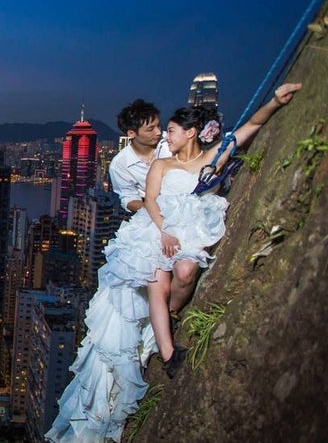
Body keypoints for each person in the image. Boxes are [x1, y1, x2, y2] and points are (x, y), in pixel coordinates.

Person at [46, 83, 301, 443]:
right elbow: (139, 201)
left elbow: (241, 134)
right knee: (155, 279)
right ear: (132, 134)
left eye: (163, 127)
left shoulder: (182, 149)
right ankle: (167, 352)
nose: (160, 132)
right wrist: (163, 221)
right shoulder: (127, 164)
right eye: (153, 128)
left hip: (190, 225)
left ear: (188, 133)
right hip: (154, 228)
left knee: (182, 274)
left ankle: (167, 318)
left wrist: (274, 101)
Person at [109, 99, 172, 213]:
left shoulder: (170, 141)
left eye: (158, 126)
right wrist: (155, 210)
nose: (158, 132)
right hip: (154, 213)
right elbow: (128, 198)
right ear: (131, 133)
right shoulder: (120, 164)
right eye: (150, 129)